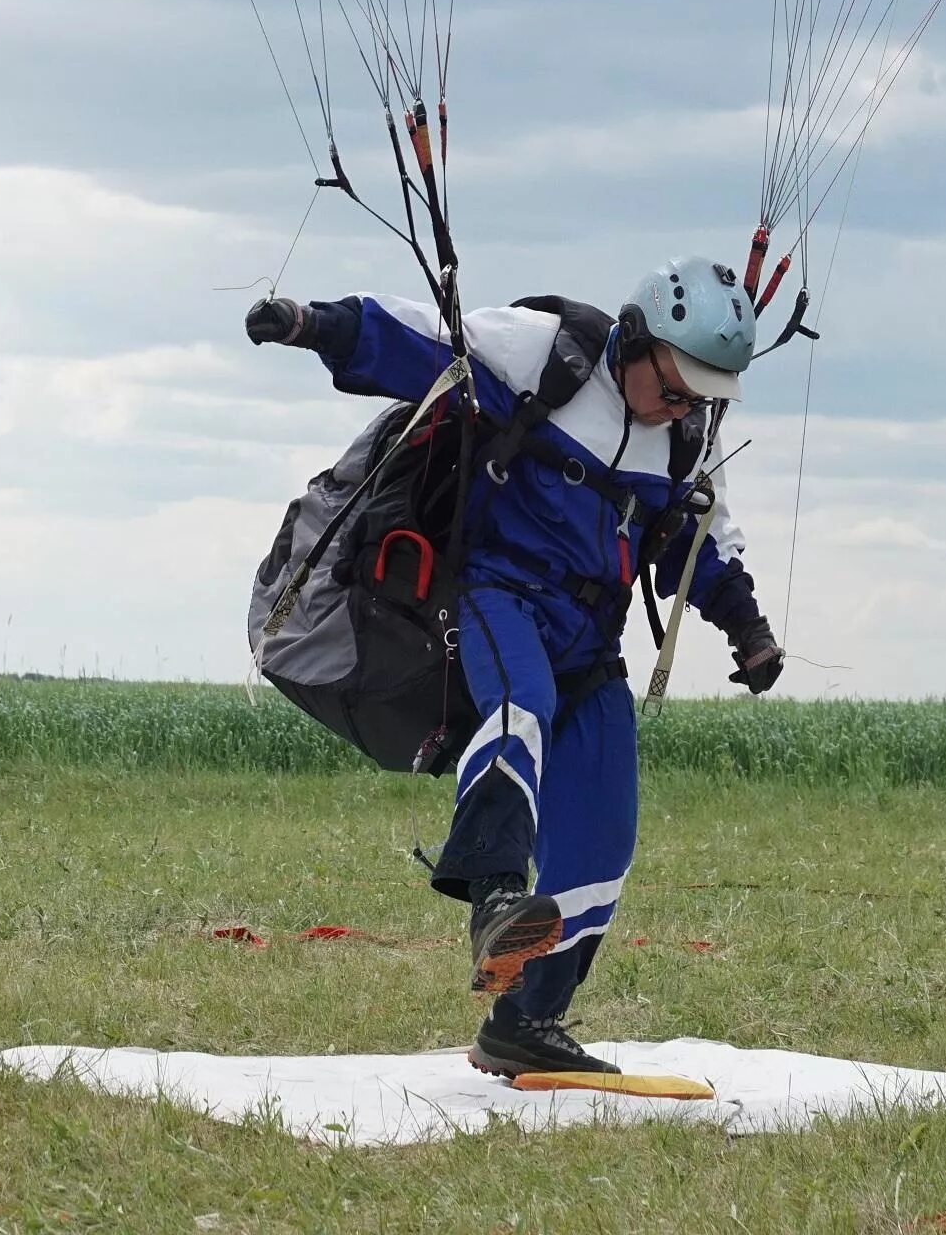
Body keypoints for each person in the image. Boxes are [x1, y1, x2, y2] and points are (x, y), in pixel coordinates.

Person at [246, 257, 784, 1078]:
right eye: (675, 388)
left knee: (605, 830)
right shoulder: (547, 356)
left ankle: (526, 1022)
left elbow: (697, 542)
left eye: (700, 397)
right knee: (516, 709)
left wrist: (746, 627)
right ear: (637, 340)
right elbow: (423, 341)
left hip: (591, 641)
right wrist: (311, 323)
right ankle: (495, 891)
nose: (684, 406)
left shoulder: (685, 435)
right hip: (500, 597)